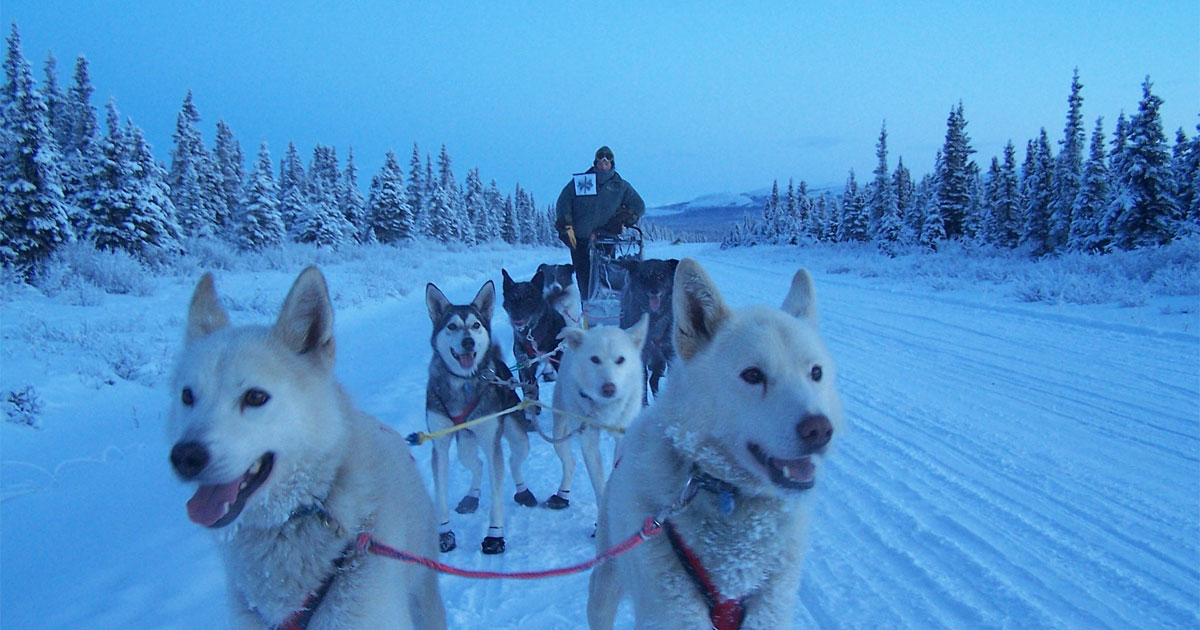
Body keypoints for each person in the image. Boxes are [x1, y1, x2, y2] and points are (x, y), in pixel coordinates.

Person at [555, 145, 645, 301]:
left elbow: (638, 205)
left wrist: (621, 219)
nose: (603, 167)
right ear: (595, 163)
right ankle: (587, 312)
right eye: (600, 163)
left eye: (607, 163)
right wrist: (566, 226)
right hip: (580, 240)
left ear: (612, 164)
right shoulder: (581, 182)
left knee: (606, 277)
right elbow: (564, 202)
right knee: (584, 278)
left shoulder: (620, 186)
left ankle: (606, 310)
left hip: (606, 239)